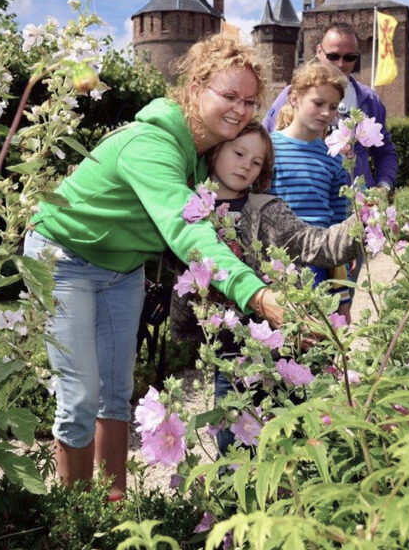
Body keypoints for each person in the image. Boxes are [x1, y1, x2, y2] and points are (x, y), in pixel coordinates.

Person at [23, 34, 285, 500]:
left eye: (249, 101)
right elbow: (188, 231)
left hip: (122, 271)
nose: (240, 109)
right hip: (63, 258)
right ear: (196, 86)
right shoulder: (152, 146)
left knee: (117, 393)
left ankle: (113, 507)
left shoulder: (205, 157)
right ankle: (75, 518)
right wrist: (259, 296)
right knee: (81, 397)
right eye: (228, 95)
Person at [174, 121, 362, 454]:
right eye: (239, 152)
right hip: (227, 351)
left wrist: (362, 225)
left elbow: (315, 242)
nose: (246, 164)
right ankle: (237, 502)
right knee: (235, 442)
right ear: (216, 151)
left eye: (257, 161)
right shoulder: (189, 210)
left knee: (288, 439)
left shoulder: (267, 210)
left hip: (273, 344)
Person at [262, 22, 399, 191]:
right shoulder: (295, 93)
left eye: (349, 57)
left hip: (356, 203)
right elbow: (263, 140)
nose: (341, 64)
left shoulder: (369, 100)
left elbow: (385, 151)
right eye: (333, 56)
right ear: (319, 52)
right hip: (309, 199)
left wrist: (384, 185)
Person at [267, 60, 352, 301]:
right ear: (294, 98)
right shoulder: (266, 149)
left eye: (333, 106)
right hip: (276, 264)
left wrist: (341, 294)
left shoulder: (333, 159)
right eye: (318, 103)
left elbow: (337, 227)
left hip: (318, 266)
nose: (327, 112)